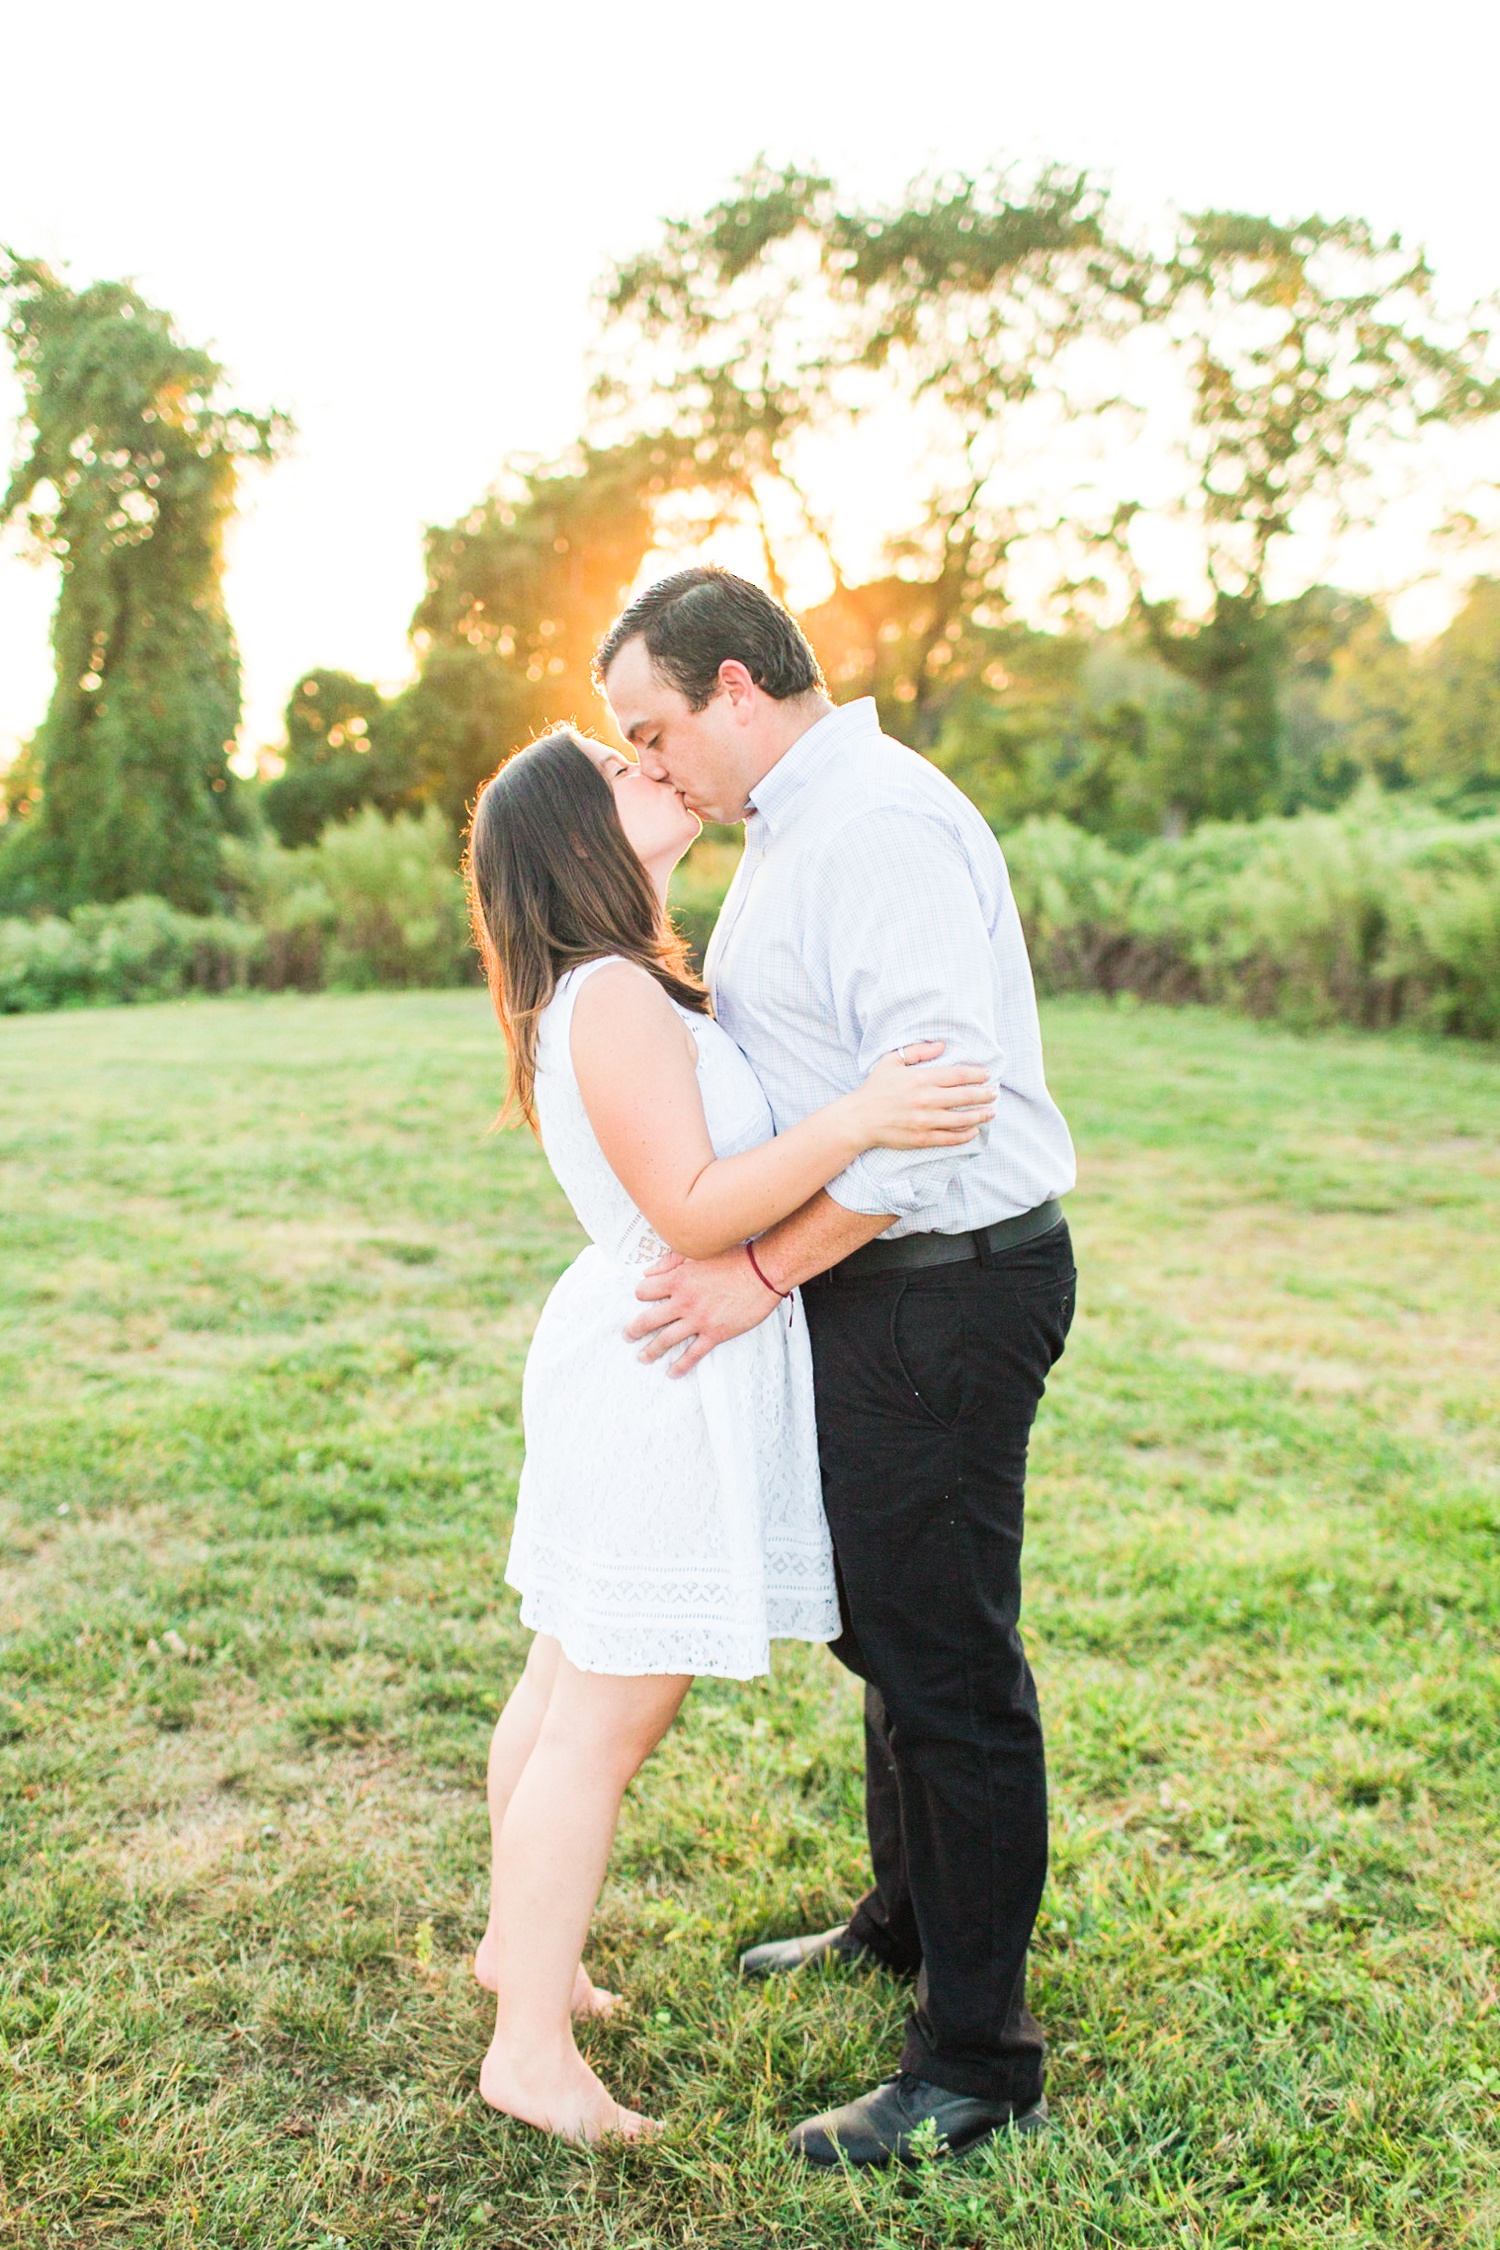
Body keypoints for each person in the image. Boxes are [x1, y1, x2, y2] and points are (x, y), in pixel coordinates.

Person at [595, 568, 1078, 2170]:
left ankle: (976, 2058)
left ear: (738, 688)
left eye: (659, 733)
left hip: (948, 1285)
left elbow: (936, 1111)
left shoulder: (868, 822)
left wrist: (754, 1271)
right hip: (880, 1293)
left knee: (947, 1661)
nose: (657, 768)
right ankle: (908, 1917)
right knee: (888, 1623)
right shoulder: (797, 825)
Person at [463, 723, 995, 2146]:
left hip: (636, 1346)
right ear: (579, 835)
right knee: (606, 1718)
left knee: (564, 1676)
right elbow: (701, 1207)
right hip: (663, 1358)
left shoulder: (598, 989)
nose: (661, 773)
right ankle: (527, 2047)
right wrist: (866, 1114)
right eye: (623, 769)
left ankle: (527, 1956)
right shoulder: (615, 998)